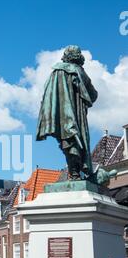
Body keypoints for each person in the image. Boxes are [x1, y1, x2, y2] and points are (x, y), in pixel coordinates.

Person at [36, 45, 98, 180]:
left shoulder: (55, 72)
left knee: (68, 142)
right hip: (78, 118)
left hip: (60, 117)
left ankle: (74, 173)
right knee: (78, 141)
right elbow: (93, 95)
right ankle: (75, 173)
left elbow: (47, 95)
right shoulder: (80, 72)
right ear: (79, 57)